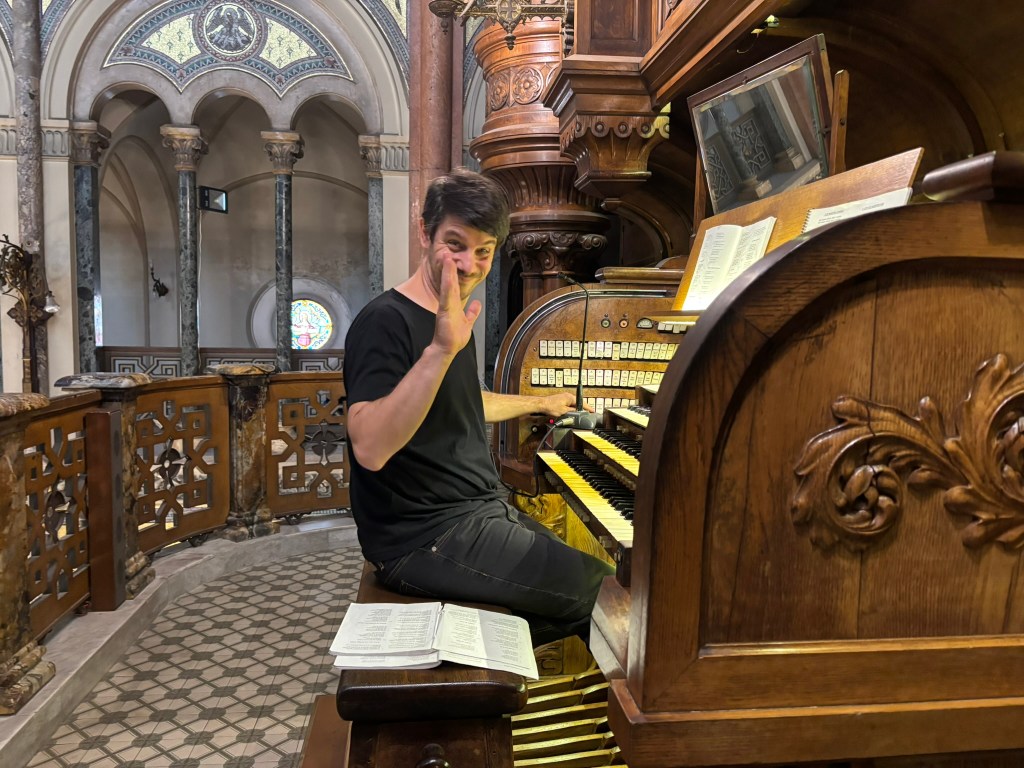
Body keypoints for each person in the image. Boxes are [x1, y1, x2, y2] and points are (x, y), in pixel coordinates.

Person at [343, 168, 614, 646]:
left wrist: (540, 402)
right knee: (604, 597)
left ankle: (505, 691)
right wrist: (440, 349)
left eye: (484, 250)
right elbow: (369, 447)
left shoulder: (451, 318)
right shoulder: (385, 322)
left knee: (602, 577)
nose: (469, 264)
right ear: (425, 233)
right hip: (423, 536)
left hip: (477, 512)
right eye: (455, 244)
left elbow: (463, 402)